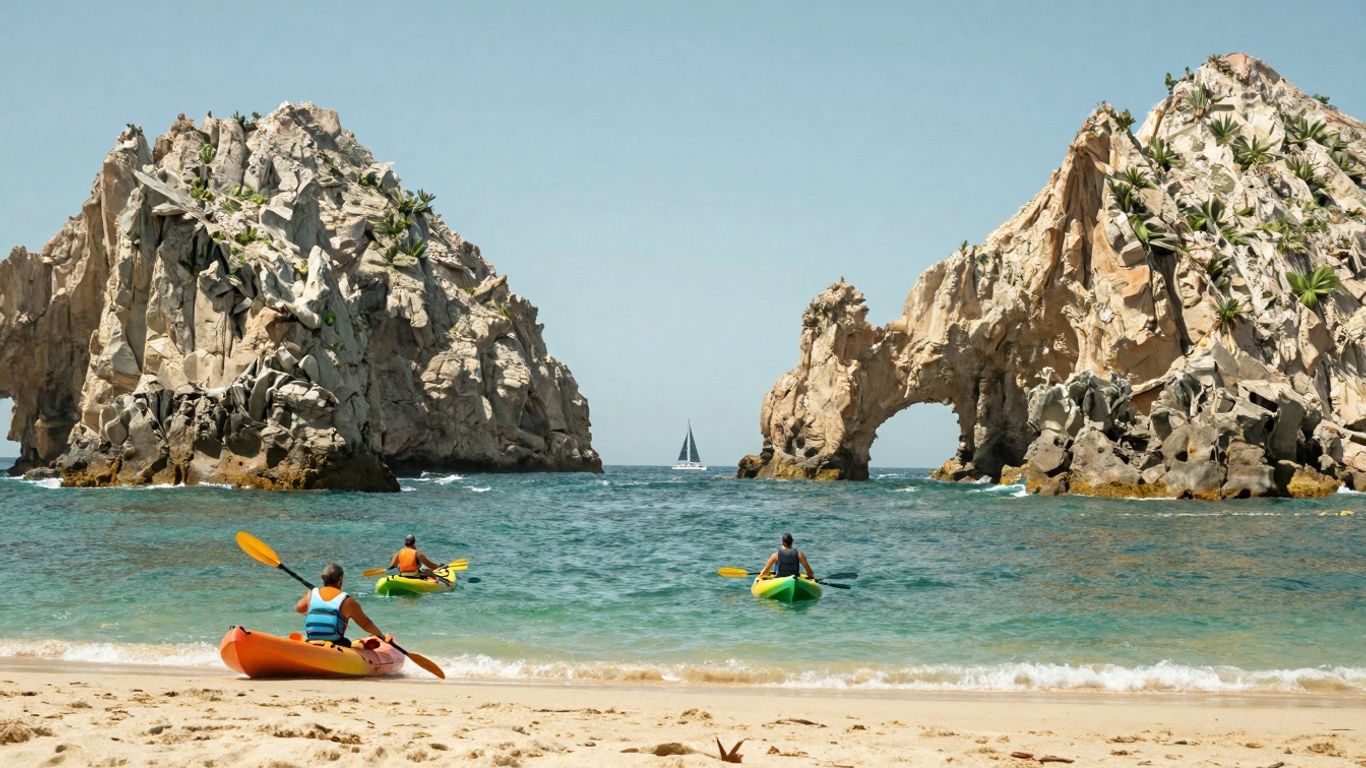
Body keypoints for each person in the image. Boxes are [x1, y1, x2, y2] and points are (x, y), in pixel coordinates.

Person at [294, 563, 391, 647]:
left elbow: (299, 608)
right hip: (336, 643)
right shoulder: (347, 600)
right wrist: (381, 636)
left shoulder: (311, 593)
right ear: (340, 580)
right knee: (347, 642)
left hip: (311, 640)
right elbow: (366, 624)